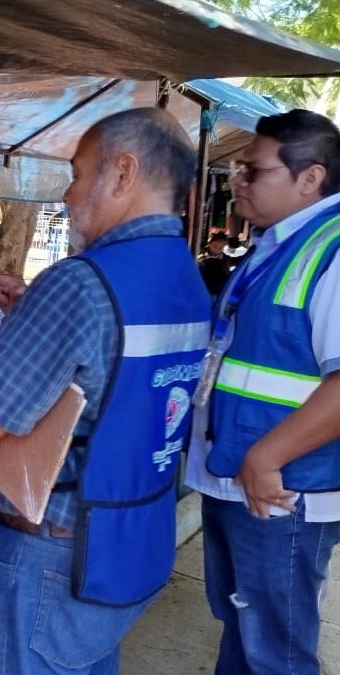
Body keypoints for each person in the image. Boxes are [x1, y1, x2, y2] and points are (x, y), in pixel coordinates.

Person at [0, 108, 211, 674]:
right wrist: (31, 319)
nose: (68, 193)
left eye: (78, 171)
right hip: (128, 540)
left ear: (122, 172)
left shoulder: (82, 279)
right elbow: (114, 375)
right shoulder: (187, 278)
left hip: (50, 557)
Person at [184, 109, 340, 675]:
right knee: (245, 628)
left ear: (310, 177)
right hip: (240, 478)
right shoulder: (275, 246)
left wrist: (266, 456)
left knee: (277, 649)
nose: (238, 183)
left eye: (253, 171)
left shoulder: (333, 250)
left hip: (281, 490)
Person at [198, 230, 231, 297]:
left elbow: (227, 274)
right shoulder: (199, 255)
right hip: (201, 291)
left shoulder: (224, 259)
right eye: (216, 245)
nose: (218, 248)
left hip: (217, 293)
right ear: (210, 243)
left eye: (221, 247)